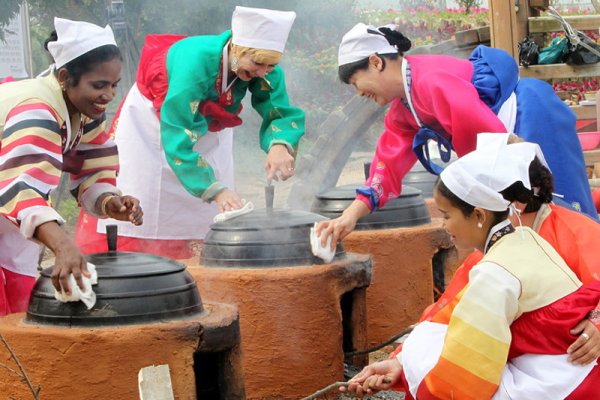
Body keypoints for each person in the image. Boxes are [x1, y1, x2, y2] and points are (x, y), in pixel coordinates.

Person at [342, 138, 600, 399]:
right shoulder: (520, 241)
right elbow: (446, 315)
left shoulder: (505, 263)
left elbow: (463, 381)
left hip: (559, 380)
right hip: (571, 374)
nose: (443, 226)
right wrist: (401, 362)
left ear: (482, 213)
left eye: (446, 215)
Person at [316, 22, 597, 247]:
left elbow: (484, 132)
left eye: (356, 82)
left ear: (376, 62)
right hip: (501, 140)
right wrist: (348, 216)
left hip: (531, 115)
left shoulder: (430, 80)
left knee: (563, 209)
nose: (359, 93)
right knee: (531, 224)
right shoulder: (403, 110)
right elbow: (385, 168)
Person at [74, 6, 305, 259]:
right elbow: (177, 136)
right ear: (236, 47)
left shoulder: (264, 66)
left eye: (270, 66)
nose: (262, 73)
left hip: (207, 126)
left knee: (210, 210)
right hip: (154, 125)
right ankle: (140, 261)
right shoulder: (194, 64)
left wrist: (279, 145)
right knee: (148, 198)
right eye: (257, 64)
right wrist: (216, 190)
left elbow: (278, 109)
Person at [0, 18, 143, 316]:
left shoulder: (85, 110)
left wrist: (107, 201)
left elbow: (93, 166)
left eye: (114, 85)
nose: (108, 95)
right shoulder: (37, 111)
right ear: (65, 77)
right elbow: (20, 188)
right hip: (10, 200)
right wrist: (63, 245)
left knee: (18, 307)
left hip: (9, 215)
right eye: (99, 85)